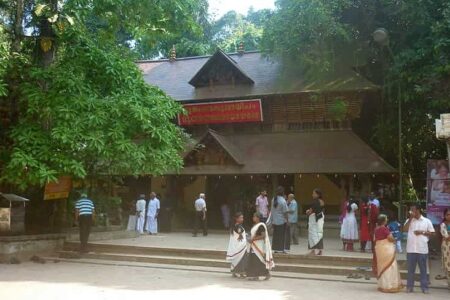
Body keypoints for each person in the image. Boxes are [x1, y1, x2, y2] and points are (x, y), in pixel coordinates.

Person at [403, 203, 435, 293]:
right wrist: (410, 219)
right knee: (410, 270)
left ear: (418, 210)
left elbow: (433, 233)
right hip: (411, 249)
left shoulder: (427, 221)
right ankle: (409, 287)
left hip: (422, 249)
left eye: (412, 209)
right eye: (411, 210)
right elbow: (404, 230)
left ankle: (424, 287)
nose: (411, 211)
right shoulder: (409, 220)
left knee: (423, 270)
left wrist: (422, 232)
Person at [373, 214, 403, 293]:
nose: (387, 220)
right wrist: (395, 239)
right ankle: (389, 285)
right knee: (390, 266)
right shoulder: (385, 229)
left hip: (379, 249)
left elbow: (375, 239)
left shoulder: (376, 229)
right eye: (386, 219)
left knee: (382, 266)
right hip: (386, 249)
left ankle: (382, 285)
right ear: (384, 221)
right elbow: (390, 238)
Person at [246, 212, 274, 281]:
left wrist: (252, 239)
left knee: (258, 260)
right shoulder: (255, 225)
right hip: (253, 245)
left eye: (254, 216)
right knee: (253, 260)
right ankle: (255, 276)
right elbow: (252, 234)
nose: (253, 218)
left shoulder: (261, 226)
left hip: (258, 246)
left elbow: (263, 236)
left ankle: (267, 274)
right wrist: (248, 237)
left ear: (258, 218)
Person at [226, 212, 247, 278]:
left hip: (237, 246)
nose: (242, 219)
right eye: (241, 218)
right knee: (241, 259)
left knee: (236, 259)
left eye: (242, 217)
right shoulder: (238, 227)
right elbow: (240, 237)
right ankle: (241, 273)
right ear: (237, 219)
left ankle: (234, 272)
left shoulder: (234, 226)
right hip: (240, 247)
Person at [269, 186, 288, 253]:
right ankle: (282, 249)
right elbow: (285, 212)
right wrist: (287, 220)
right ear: (283, 192)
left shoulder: (273, 199)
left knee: (276, 236)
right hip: (281, 221)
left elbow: (271, 210)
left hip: (274, 221)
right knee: (282, 236)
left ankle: (275, 249)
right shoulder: (283, 201)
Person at [306, 188, 325, 255]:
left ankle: (313, 250)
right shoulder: (322, 201)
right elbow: (322, 210)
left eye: (314, 193)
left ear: (318, 194)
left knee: (313, 234)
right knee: (319, 234)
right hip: (320, 219)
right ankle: (320, 250)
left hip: (314, 220)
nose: (312, 195)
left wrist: (307, 212)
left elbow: (311, 211)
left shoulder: (315, 202)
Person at [439, 208, 450, 289]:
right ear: (445, 215)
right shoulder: (443, 224)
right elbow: (446, 236)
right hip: (446, 247)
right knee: (448, 265)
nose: (449, 216)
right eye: (448, 214)